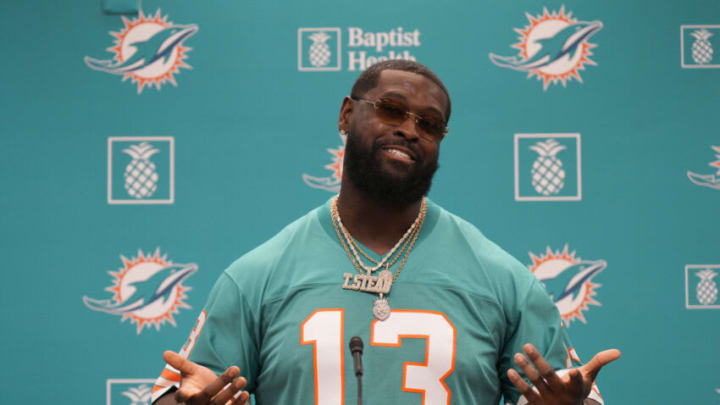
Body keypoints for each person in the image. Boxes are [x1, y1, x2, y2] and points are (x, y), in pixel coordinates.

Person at [151, 60, 620, 405]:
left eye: (430, 124)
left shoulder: (503, 281)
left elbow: (573, 394)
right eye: (391, 110)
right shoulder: (258, 276)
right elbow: (181, 391)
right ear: (345, 115)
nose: (410, 130)